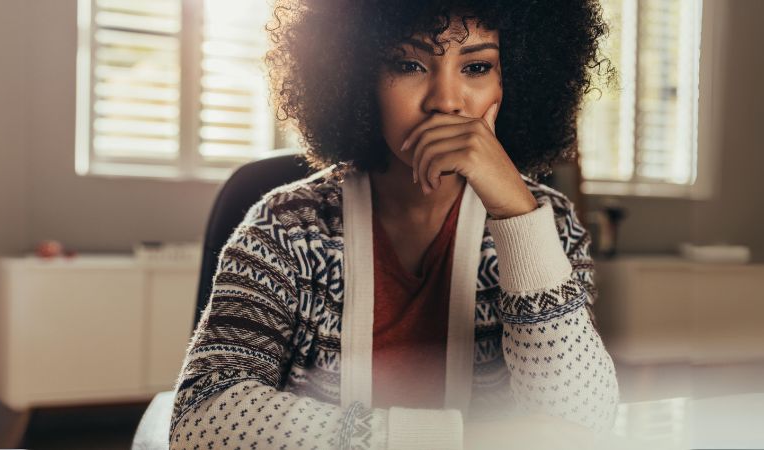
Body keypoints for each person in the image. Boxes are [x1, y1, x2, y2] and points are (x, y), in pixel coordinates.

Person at [169, 0, 620, 448]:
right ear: (359, 76)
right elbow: (199, 420)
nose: (445, 101)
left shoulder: (547, 222)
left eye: (478, 67)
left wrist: (517, 216)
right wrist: (453, 441)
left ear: (513, 82)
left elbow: (580, 424)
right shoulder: (288, 227)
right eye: (410, 64)